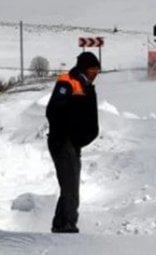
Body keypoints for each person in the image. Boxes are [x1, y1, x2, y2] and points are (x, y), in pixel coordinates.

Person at [45, 52, 101, 233]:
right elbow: (54, 111)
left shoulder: (86, 85)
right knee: (70, 188)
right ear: (85, 68)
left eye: (97, 70)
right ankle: (67, 226)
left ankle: (60, 224)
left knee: (70, 186)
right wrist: (66, 133)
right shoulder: (67, 82)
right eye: (93, 69)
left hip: (73, 142)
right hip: (63, 141)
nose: (96, 73)